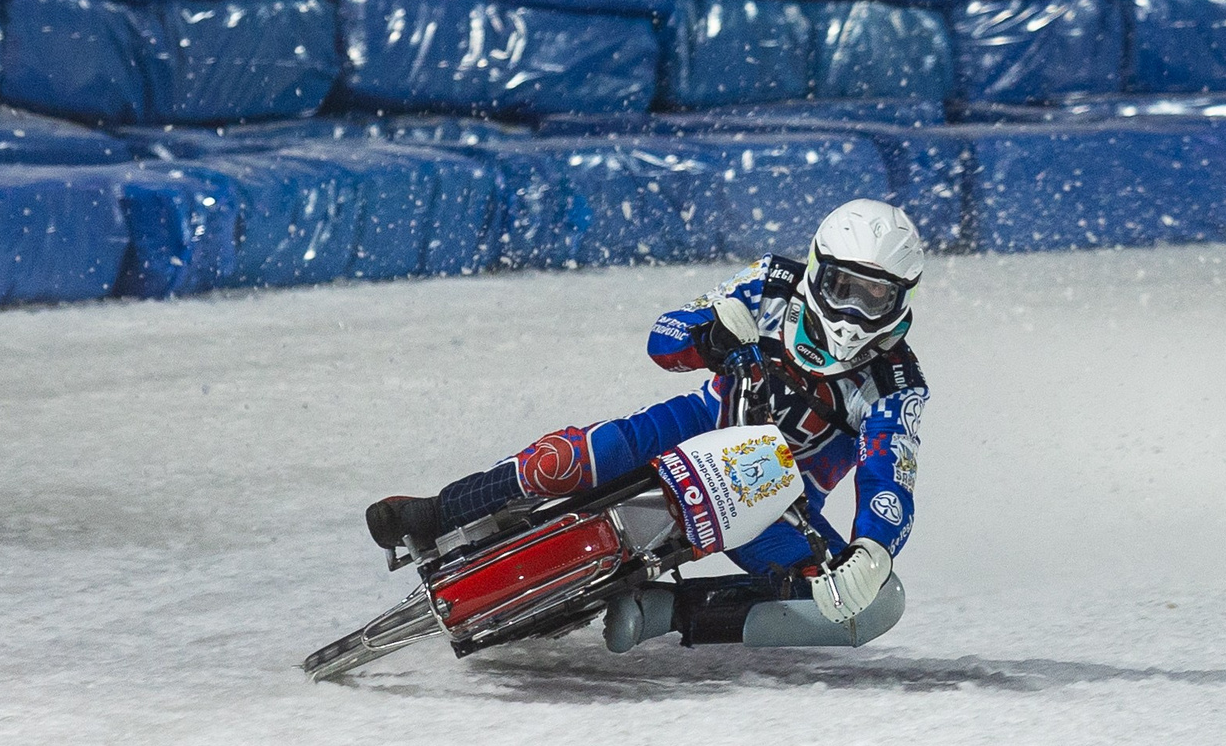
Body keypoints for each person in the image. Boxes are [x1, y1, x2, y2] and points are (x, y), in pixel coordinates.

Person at [367, 198, 928, 651]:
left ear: (901, 303)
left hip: (782, 501)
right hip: (698, 421)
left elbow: (888, 478)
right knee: (564, 461)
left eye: (876, 298)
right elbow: (666, 334)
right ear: (815, 270)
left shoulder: (898, 384)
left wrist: (871, 552)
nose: (854, 312)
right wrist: (707, 338)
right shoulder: (770, 281)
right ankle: (440, 510)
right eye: (843, 287)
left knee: (877, 604)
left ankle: (667, 613)